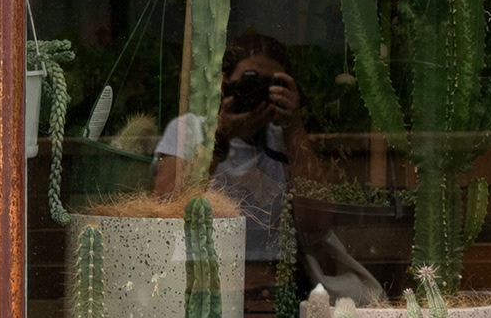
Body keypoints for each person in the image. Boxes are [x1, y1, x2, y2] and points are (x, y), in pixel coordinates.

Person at [149, 29, 387, 303]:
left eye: (271, 85)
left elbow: (316, 227)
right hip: (199, 278)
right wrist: (221, 137)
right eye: (249, 83)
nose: (258, 93)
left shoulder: (285, 141)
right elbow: (166, 213)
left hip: (274, 285)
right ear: (225, 84)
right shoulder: (189, 130)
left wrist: (293, 125)